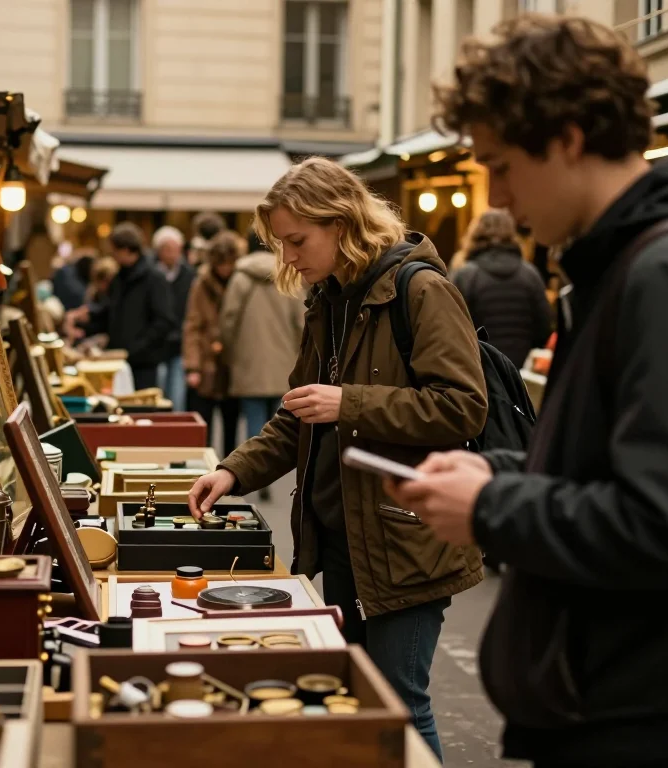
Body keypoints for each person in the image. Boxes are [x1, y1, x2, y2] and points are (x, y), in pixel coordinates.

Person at [385, 15, 668, 768]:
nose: (497, 194)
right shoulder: (617, 266)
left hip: (632, 720)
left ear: (569, 138)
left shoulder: (658, 273)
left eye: (502, 164)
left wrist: (491, 505)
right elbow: (607, 474)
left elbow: (661, 522)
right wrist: (496, 471)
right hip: (603, 708)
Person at [187, 157, 487, 759]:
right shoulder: (327, 298)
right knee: (362, 702)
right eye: (280, 243)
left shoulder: (421, 289)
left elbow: (462, 407)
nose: (288, 256)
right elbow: (299, 413)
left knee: (400, 706)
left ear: (341, 222)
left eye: (297, 240)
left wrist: (349, 402)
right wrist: (233, 470)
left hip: (405, 543)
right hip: (345, 535)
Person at [218, 229, 304, 496]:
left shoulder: (240, 277)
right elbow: (301, 321)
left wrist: (231, 353)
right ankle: (268, 475)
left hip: (249, 359)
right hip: (283, 359)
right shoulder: (288, 274)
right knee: (279, 417)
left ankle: (255, 473)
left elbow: (228, 320)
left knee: (254, 416)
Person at [77, 223, 175, 390]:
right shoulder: (119, 278)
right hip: (118, 360)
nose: (112, 255)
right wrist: (89, 318)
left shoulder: (154, 279)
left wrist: (136, 348)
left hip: (143, 365)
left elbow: (164, 321)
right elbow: (111, 312)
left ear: (126, 250)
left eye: (114, 251)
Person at [450, 209, 552, 368]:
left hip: (479, 369)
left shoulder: (466, 275)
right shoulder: (530, 274)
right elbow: (544, 327)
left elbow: (452, 329)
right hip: (519, 370)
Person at [182, 231, 243, 458]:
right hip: (206, 362)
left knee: (232, 426)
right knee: (203, 427)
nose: (225, 268)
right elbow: (193, 325)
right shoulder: (201, 284)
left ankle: (231, 469)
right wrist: (193, 366)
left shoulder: (240, 282)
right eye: (221, 263)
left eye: (229, 263)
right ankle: (203, 469)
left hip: (232, 363)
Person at [153, 225, 195, 410]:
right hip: (157, 342)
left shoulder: (189, 275)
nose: (171, 254)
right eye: (167, 249)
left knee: (177, 395)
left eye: (175, 249)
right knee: (158, 393)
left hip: (179, 343)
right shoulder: (152, 274)